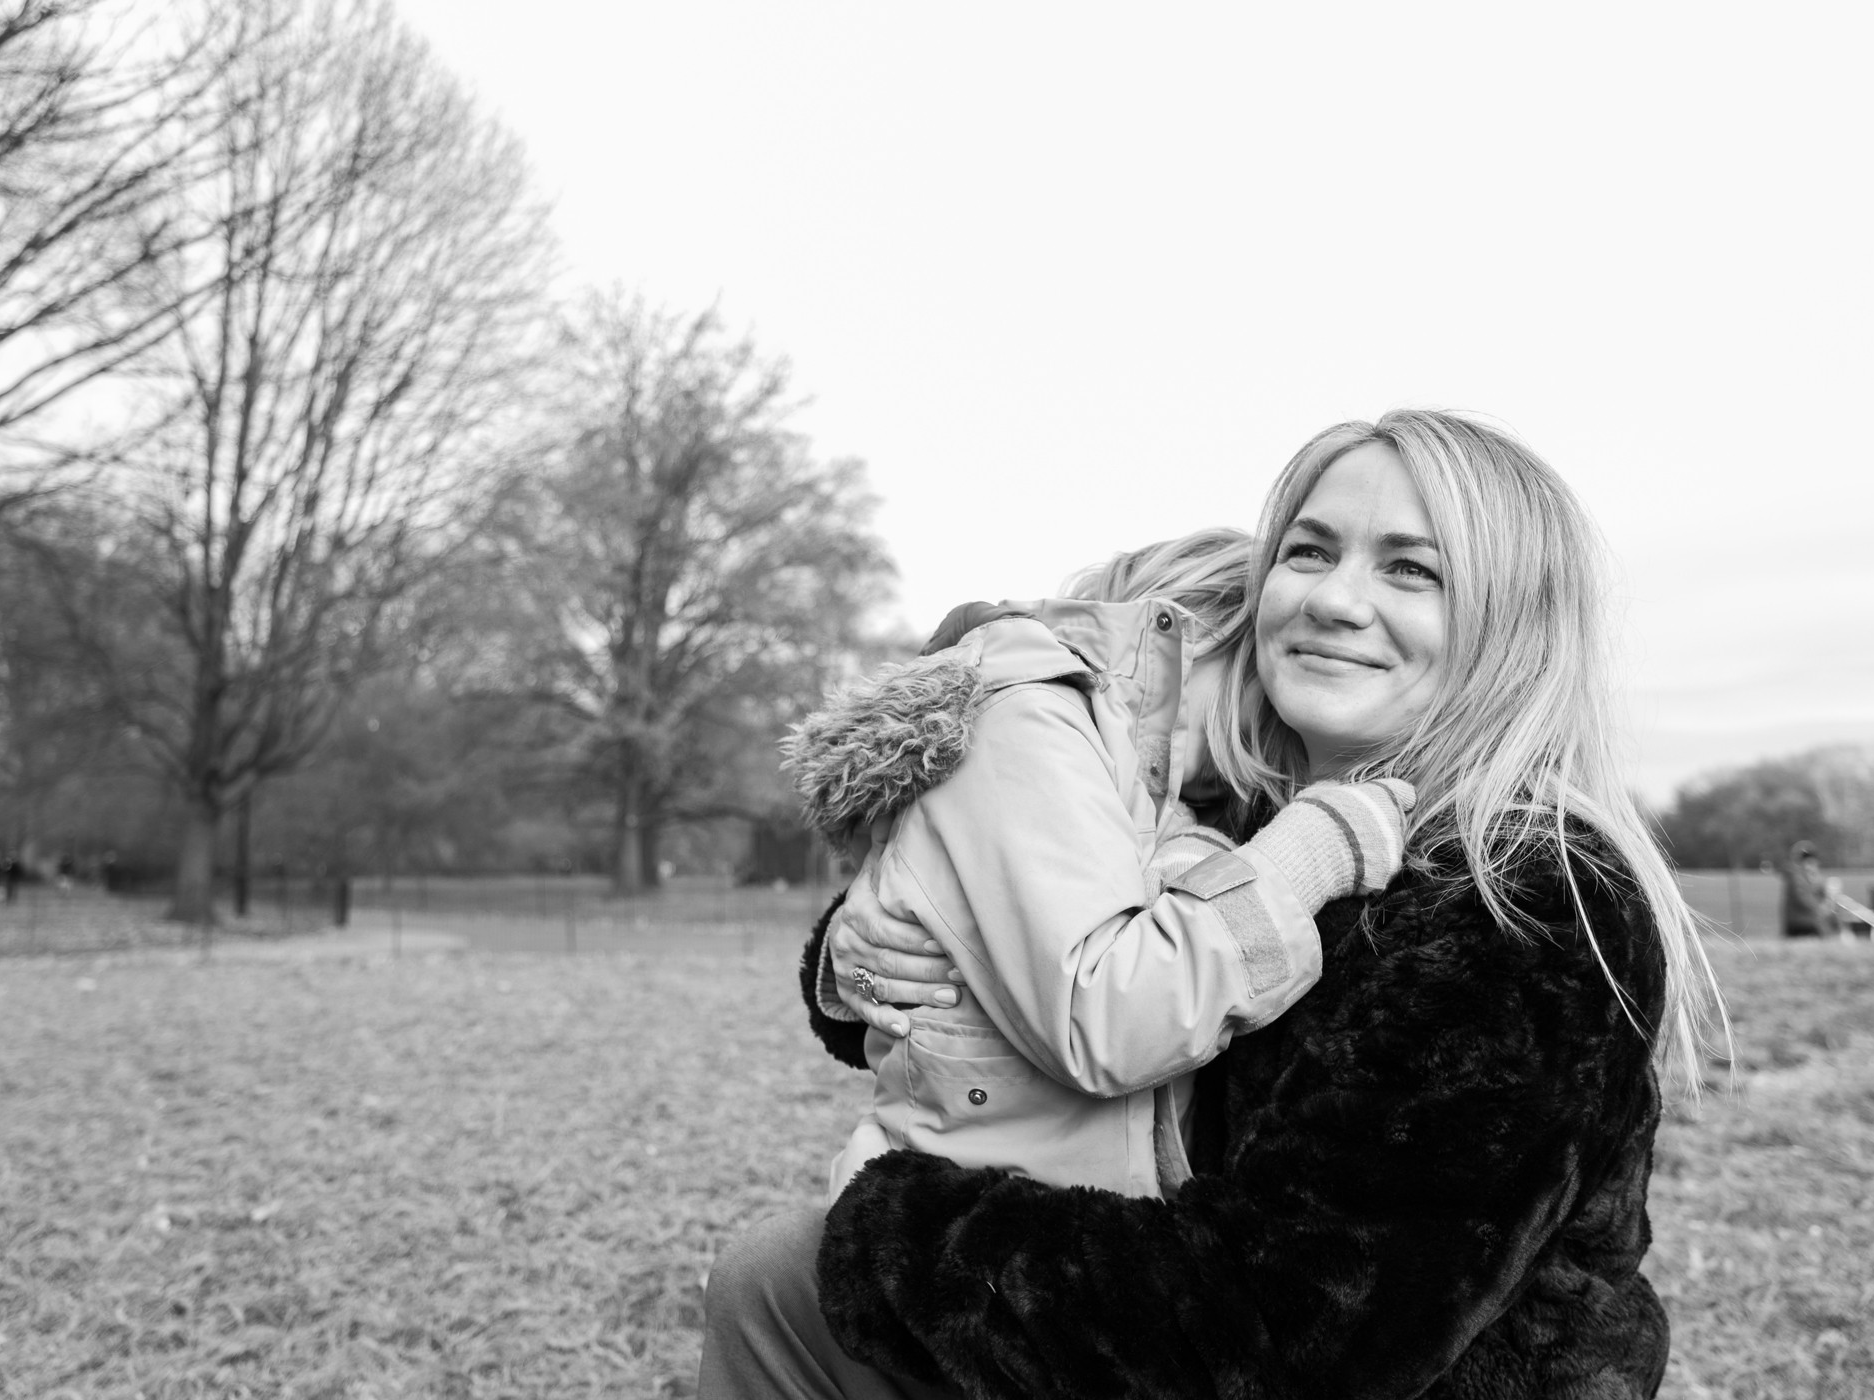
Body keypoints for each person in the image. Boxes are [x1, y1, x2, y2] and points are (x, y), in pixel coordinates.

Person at [701, 409, 1727, 1400]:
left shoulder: (1521, 900)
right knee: (773, 1278)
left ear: (1514, 632)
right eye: (1310, 550)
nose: (1332, 597)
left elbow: (1290, 1335)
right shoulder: (1252, 807)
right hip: (1175, 1305)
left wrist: (894, 1232)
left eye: (1412, 568)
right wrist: (868, 949)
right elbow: (1080, 942)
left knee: (795, 1268)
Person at [779, 527, 1412, 1205]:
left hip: (1029, 1220)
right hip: (968, 1233)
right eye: (1259, 684)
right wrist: (1306, 854)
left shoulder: (1098, 761)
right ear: (1195, 639)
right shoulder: (1031, 718)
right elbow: (1106, 1018)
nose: (1266, 736)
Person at [1779, 840, 1836, 939]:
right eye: (1806, 860)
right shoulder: (1796, 877)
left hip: (1809, 922)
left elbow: (1820, 894)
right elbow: (1802, 898)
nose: (1809, 865)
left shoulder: (1812, 877)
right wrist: (1820, 908)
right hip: (1800, 924)